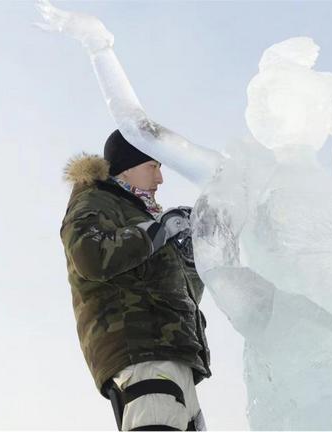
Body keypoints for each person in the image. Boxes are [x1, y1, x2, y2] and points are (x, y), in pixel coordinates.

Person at [60, 129, 211, 431]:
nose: (160, 179)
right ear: (126, 168)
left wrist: (192, 261)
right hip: (141, 349)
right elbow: (90, 256)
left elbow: (180, 295)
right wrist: (159, 231)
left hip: (174, 355)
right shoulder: (95, 200)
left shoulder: (144, 217)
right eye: (152, 167)